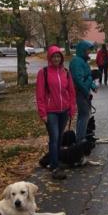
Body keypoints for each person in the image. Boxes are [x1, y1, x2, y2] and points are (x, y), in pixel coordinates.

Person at [35, 45, 76, 180]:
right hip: (51, 111)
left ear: (61, 58)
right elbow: (40, 95)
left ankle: (56, 160)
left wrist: (72, 108)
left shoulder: (66, 72)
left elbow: (71, 92)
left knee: (59, 139)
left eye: (58, 56)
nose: (56, 59)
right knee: (54, 138)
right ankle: (54, 166)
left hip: (64, 110)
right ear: (50, 58)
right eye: (54, 56)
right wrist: (43, 113)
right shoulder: (44, 73)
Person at [69, 40, 98, 144]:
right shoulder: (77, 61)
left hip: (84, 92)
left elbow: (87, 76)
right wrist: (87, 92)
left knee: (85, 115)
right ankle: (80, 139)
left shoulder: (82, 61)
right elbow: (79, 80)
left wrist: (93, 86)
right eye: (88, 50)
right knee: (84, 115)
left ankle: (82, 136)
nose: (89, 52)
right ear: (82, 50)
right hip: (81, 93)